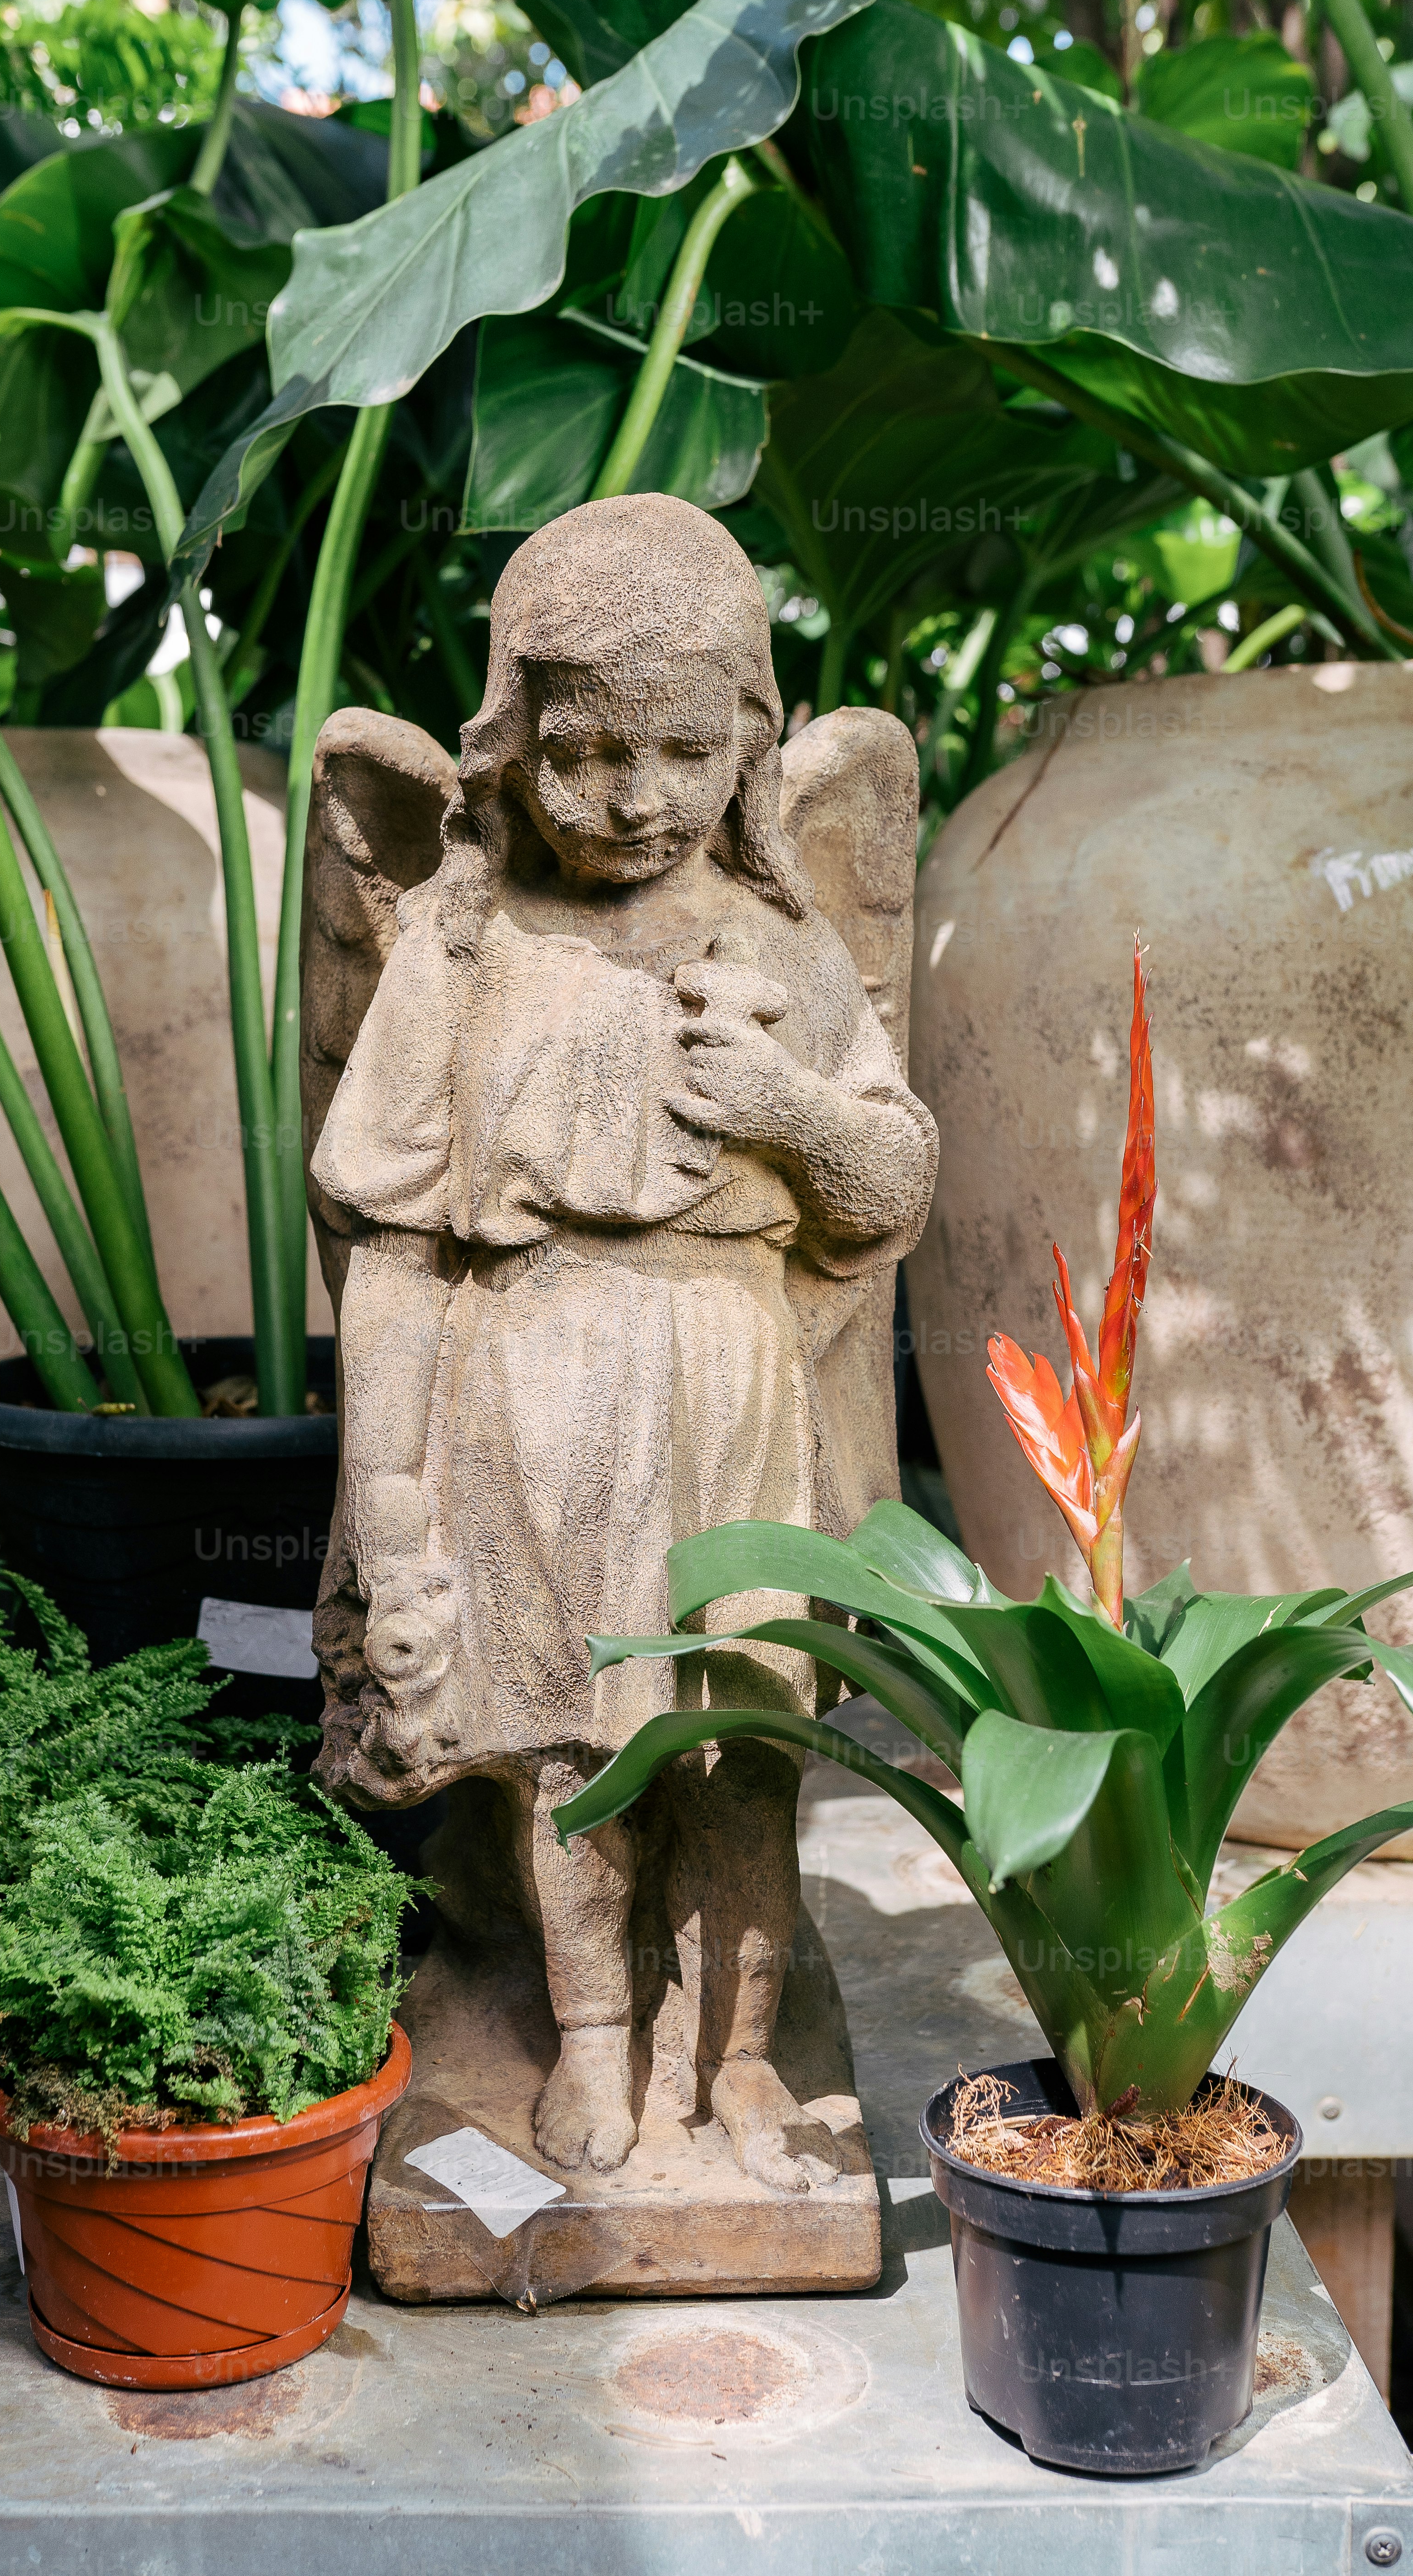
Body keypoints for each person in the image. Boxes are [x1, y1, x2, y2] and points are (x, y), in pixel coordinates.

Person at [311, 494, 937, 2188]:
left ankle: (735, 2055)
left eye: (682, 748)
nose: (637, 796)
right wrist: (391, 1503)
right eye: (587, 753)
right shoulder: (463, 949)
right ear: (512, 748)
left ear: (751, 743)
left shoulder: (789, 947)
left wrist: (797, 1114)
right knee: (573, 1750)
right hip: (536, 1385)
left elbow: (888, 1193)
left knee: (744, 1740)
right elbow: (392, 1248)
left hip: (733, 1385)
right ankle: (592, 2038)